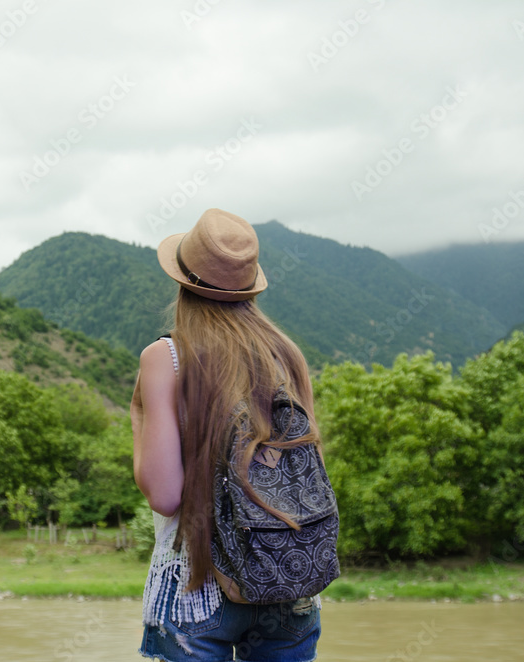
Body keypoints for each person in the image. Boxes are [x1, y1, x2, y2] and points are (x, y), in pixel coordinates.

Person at [132, 208, 323, 661]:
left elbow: (165, 495)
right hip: (288, 579)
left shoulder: (167, 358)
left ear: (183, 284)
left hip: (195, 584)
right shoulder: (287, 356)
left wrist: (140, 418)